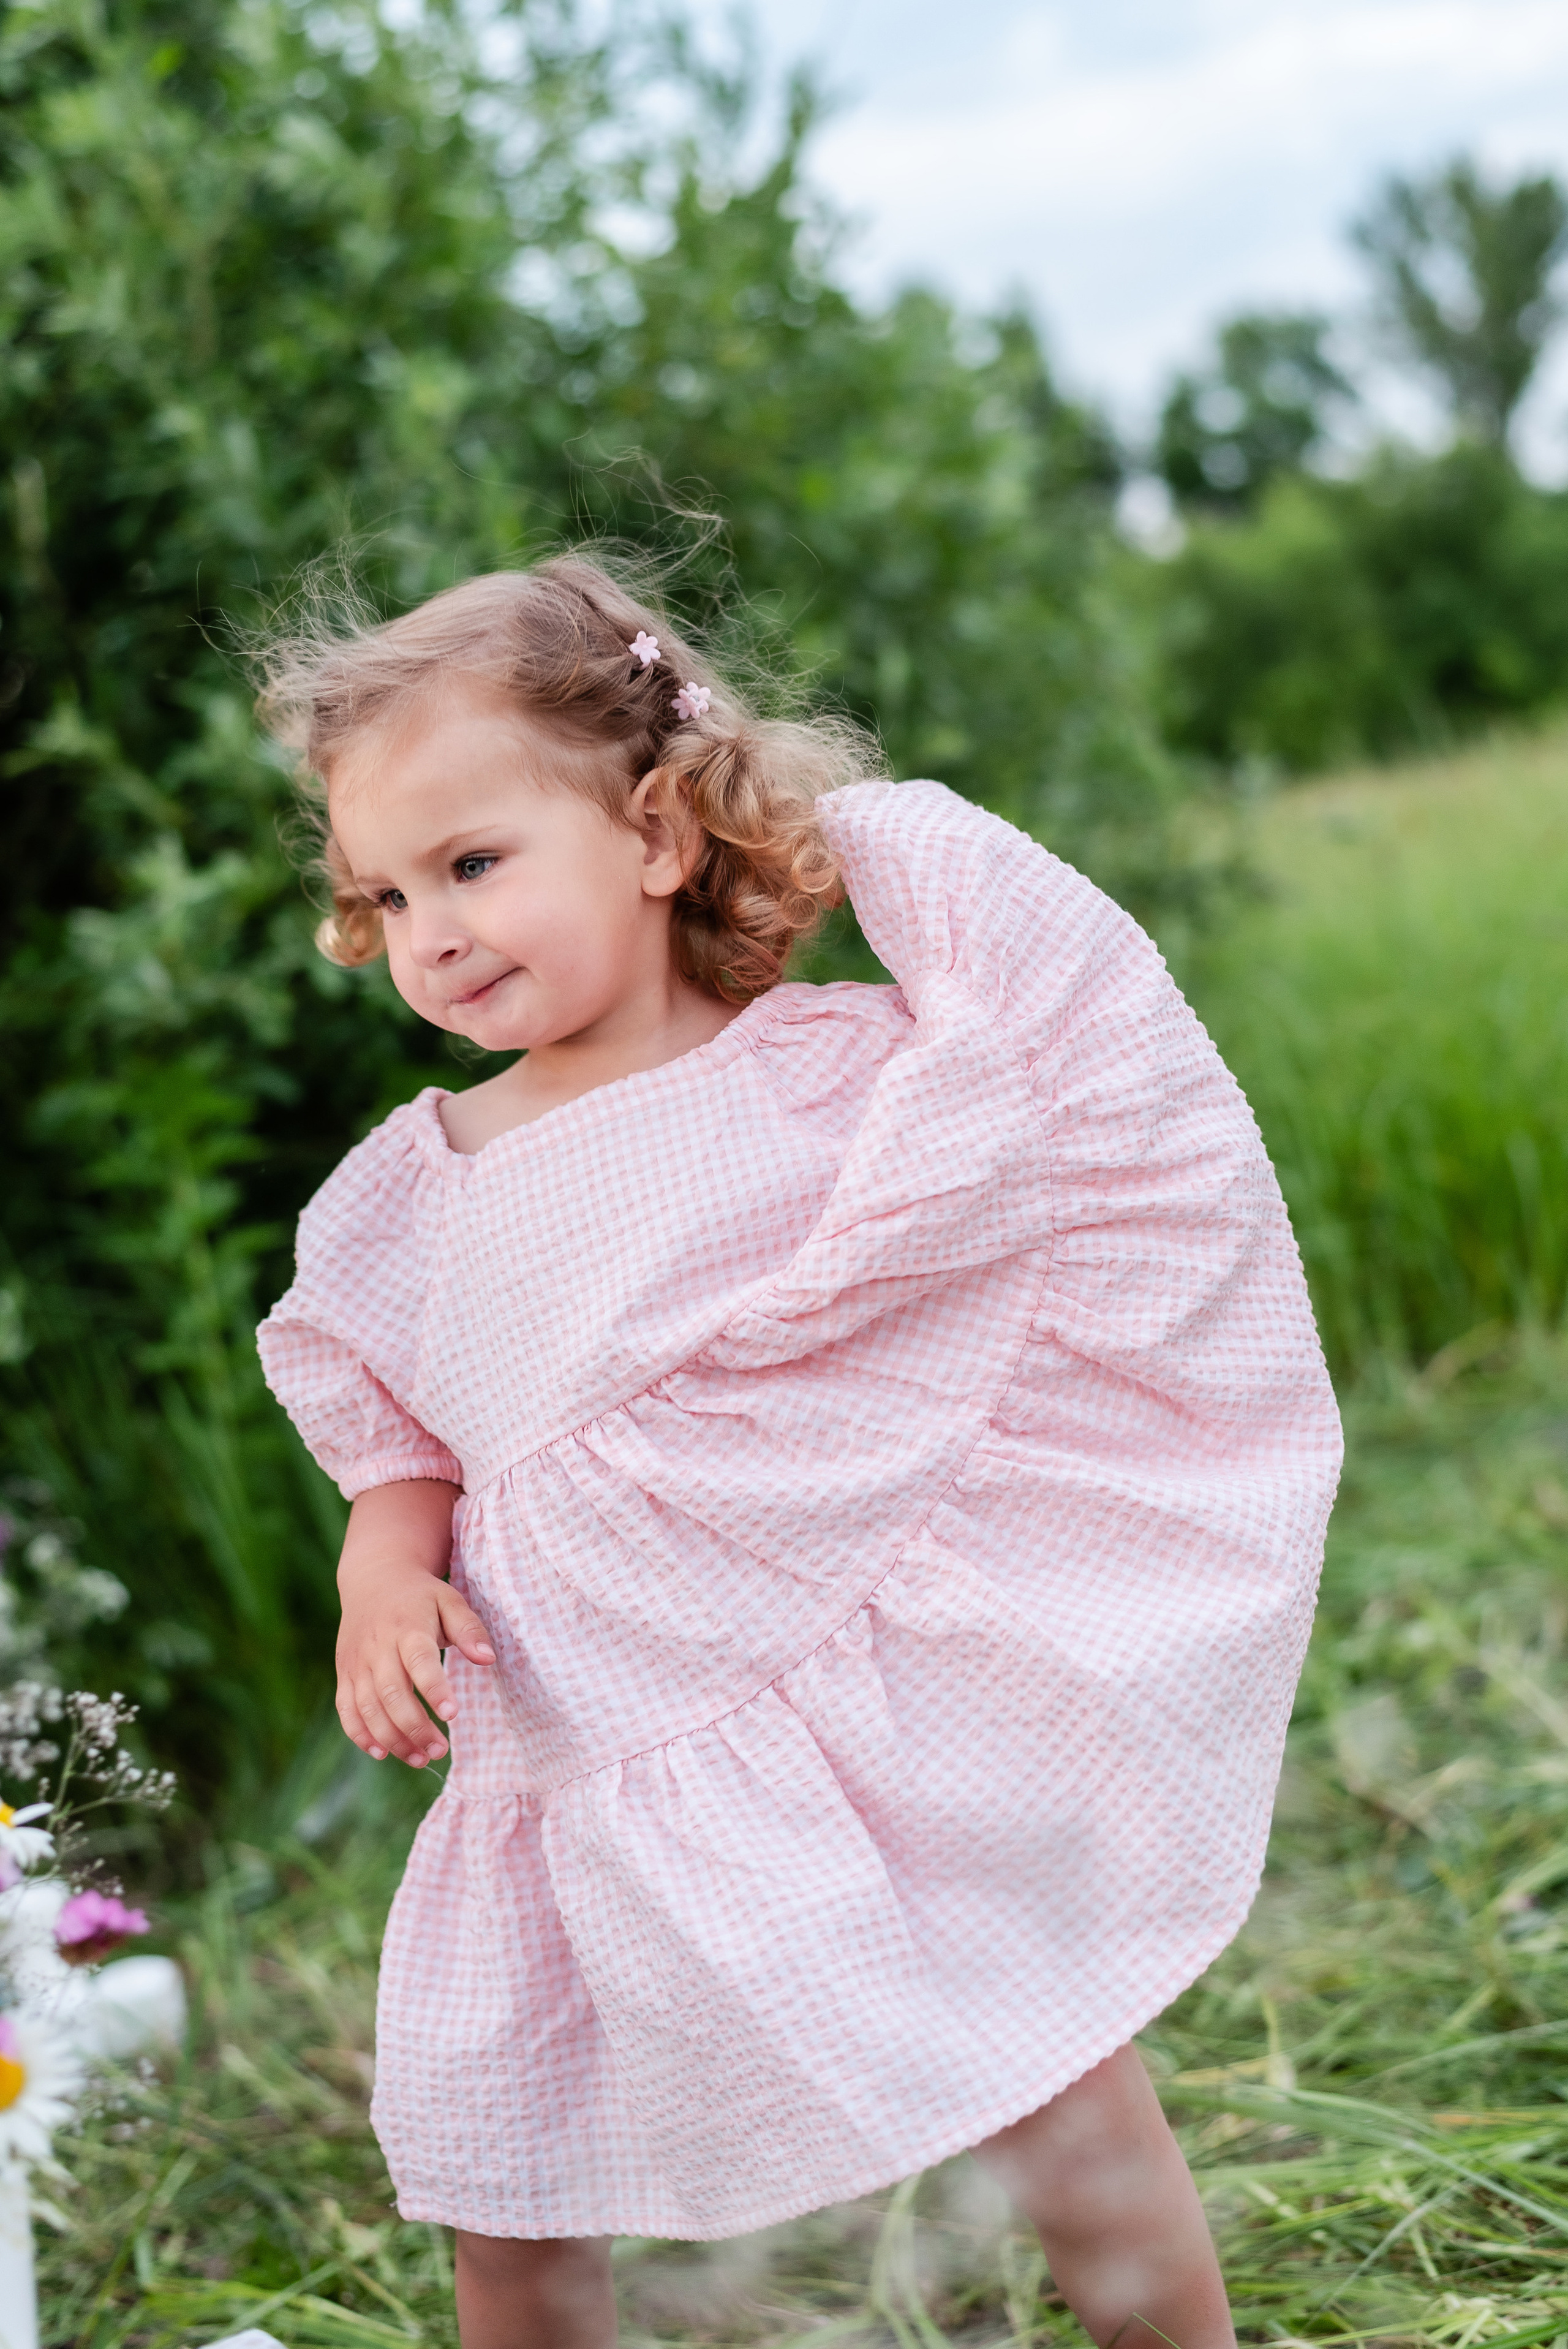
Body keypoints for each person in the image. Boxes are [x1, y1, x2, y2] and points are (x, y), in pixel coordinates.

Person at [255, 556, 1343, 2349]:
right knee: (513, 2170)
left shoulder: (830, 1073)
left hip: (838, 1696)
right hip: (576, 1738)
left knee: (1048, 2052)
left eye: (473, 861)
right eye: (386, 891)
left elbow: (1006, 1194)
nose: (429, 929)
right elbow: (398, 1430)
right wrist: (387, 1564)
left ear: (660, 833)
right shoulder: (409, 1189)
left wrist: (908, 862)